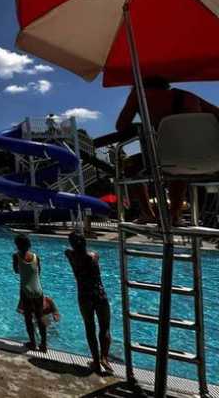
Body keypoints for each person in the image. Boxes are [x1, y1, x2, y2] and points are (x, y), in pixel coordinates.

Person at [116, 76, 219, 226]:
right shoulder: (188, 96)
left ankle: (148, 213)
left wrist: (146, 125)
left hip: (168, 159)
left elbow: (121, 126)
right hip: (210, 160)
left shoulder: (139, 95)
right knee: (179, 161)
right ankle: (174, 214)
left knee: (131, 165)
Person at [65, 232, 112, 374]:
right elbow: (94, 257)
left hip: (84, 296)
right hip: (99, 294)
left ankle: (96, 362)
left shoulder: (69, 255)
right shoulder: (94, 256)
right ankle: (104, 357)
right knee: (105, 328)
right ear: (85, 243)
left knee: (90, 328)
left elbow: (69, 250)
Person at [12, 234, 47, 352]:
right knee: (40, 317)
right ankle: (44, 345)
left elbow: (16, 270)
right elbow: (39, 272)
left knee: (28, 318)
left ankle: (32, 343)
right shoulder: (36, 257)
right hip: (38, 290)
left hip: (25, 290)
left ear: (17, 245)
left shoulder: (16, 256)